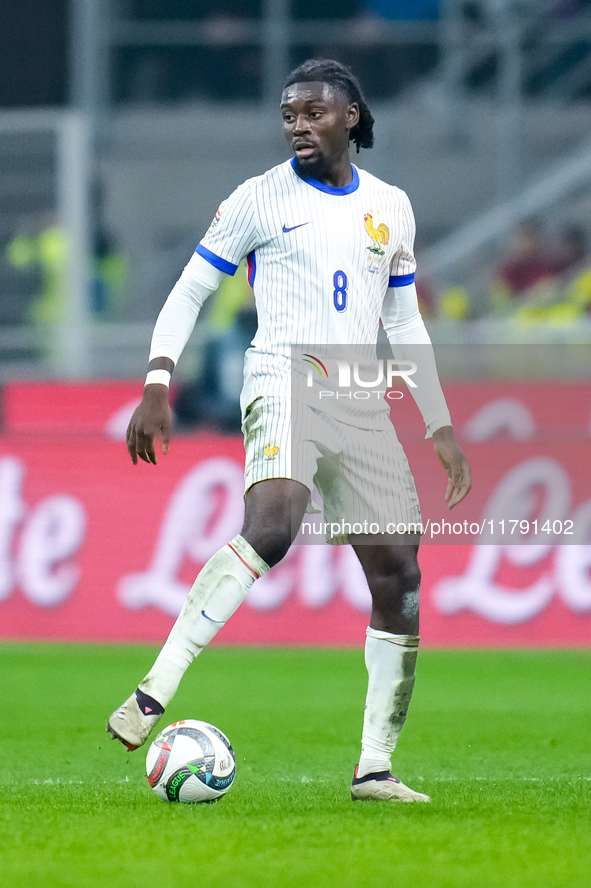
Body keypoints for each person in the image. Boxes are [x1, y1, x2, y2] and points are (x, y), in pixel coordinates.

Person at [108, 58, 471, 803]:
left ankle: (374, 768)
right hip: (283, 373)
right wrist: (155, 382)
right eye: (287, 115)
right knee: (272, 526)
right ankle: (155, 688)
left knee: (399, 579)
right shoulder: (257, 199)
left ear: (350, 118)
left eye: (312, 112)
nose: (297, 125)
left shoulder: (390, 206)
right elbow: (192, 287)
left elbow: (401, 317)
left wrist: (436, 418)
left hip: (360, 392)